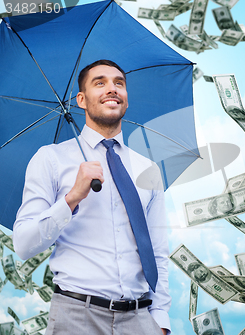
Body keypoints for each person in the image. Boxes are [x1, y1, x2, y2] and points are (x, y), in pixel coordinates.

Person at [13, 60, 170, 335]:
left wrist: (160, 321)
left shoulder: (148, 169)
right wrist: (72, 197)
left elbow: (157, 251)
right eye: (100, 83)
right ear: (81, 100)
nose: (112, 89)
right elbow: (24, 244)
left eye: (118, 83)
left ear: (126, 99)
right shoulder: (50, 159)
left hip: (140, 319)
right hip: (76, 317)